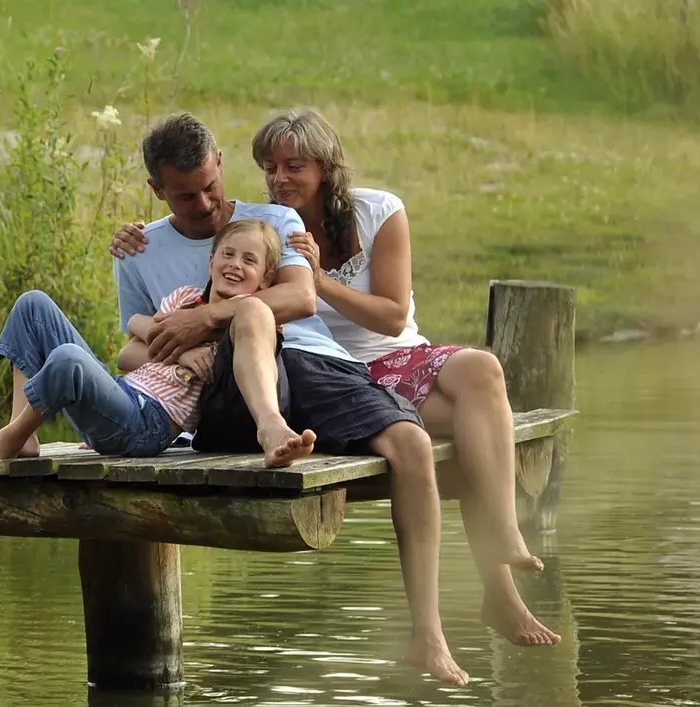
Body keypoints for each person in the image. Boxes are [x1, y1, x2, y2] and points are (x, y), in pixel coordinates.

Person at [111, 112, 545, 685]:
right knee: (260, 330)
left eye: (212, 187)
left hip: (318, 360)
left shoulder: (271, 220)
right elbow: (135, 346)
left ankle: (429, 635)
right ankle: (273, 429)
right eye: (186, 196)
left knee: (413, 442)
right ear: (157, 190)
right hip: (230, 385)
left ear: (220, 165)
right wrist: (185, 348)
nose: (206, 205)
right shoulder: (139, 249)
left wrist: (209, 316)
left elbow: (302, 297)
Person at [0, 219, 292, 461]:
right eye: (228, 254)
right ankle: (22, 433)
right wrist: (181, 355)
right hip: (124, 394)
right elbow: (128, 353)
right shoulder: (185, 300)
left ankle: (8, 440)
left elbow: (250, 331)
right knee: (33, 305)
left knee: (69, 359)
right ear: (211, 260)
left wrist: (160, 336)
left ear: (265, 279)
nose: (235, 265)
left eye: (249, 260)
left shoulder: (249, 322)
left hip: (149, 424)